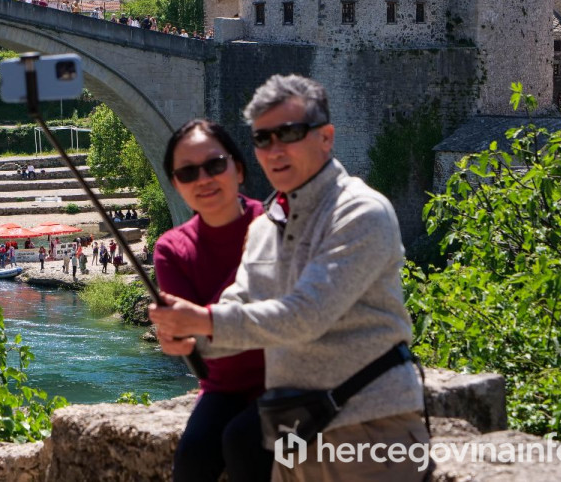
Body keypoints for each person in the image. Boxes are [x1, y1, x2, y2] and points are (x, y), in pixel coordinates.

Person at [150, 74, 430, 482]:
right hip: (295, 428)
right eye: (264, 139)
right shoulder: (267, 226)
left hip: (368, 427)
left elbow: (307, 316)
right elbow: (240, 301)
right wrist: (189, 339)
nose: (275, 150)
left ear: (326, 137)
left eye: (290, 133)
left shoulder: (360, 211)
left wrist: (203, 322)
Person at [152, 119, 269, 482]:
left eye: (214, 165)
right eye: (187, 173)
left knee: (244, 444)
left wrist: (198, 321)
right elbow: (194, 338)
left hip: (289, 378)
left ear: (239, 168)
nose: (203, 179)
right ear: (175, 185)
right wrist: (175, 337)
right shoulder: (171, 250)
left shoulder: (276, 226)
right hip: (224, 386)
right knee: (192, 459)